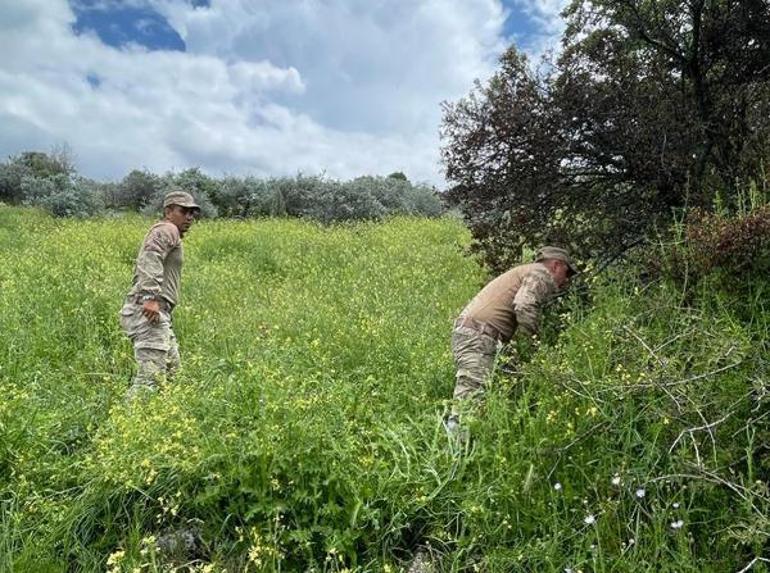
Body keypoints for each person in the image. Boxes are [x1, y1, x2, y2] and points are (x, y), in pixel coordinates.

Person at [447, 246, 577, 428]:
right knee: (470, 399)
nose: (566, 280)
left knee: (500, 388)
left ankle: (477, 441)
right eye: (567, 272)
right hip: (479, 337)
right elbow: (524, 305)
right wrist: (531, 343)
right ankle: (454, 451)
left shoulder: (526, 271)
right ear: (556, 265)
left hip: (480, 336)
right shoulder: (539, 273)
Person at [119, 190, 200, 398]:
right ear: (168, 211)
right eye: (184, 211)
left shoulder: (171, 232)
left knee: (174, 375)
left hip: (158, 314)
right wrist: (150, 297)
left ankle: (164, 423)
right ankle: (123, 426)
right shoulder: (167, 229)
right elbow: (150, 256)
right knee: (149, 380)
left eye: (193, 213)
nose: (189, 217)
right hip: (149, 313)